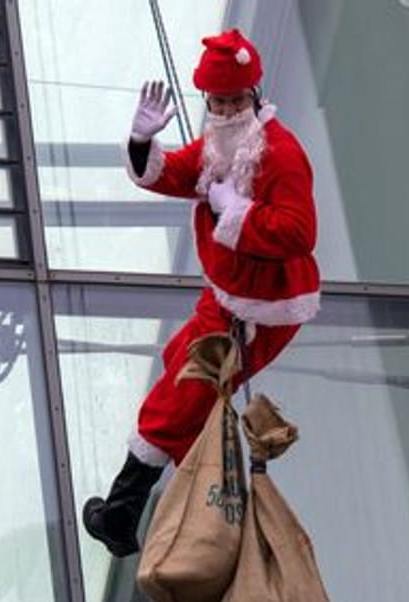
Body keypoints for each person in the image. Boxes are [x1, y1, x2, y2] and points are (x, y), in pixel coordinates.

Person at [82, 29, 321, 557]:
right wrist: (143, 144)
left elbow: (301, 233)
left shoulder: (279, 153)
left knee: (179, 396)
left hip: (263, 309)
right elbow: (178, 173)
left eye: (235, 99)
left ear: (253, 95)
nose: (227, 107)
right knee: (179, 372)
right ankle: (198, 507)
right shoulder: (220, 142)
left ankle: (124, 514)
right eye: (218, 100)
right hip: (226, 296)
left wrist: (237, 211)